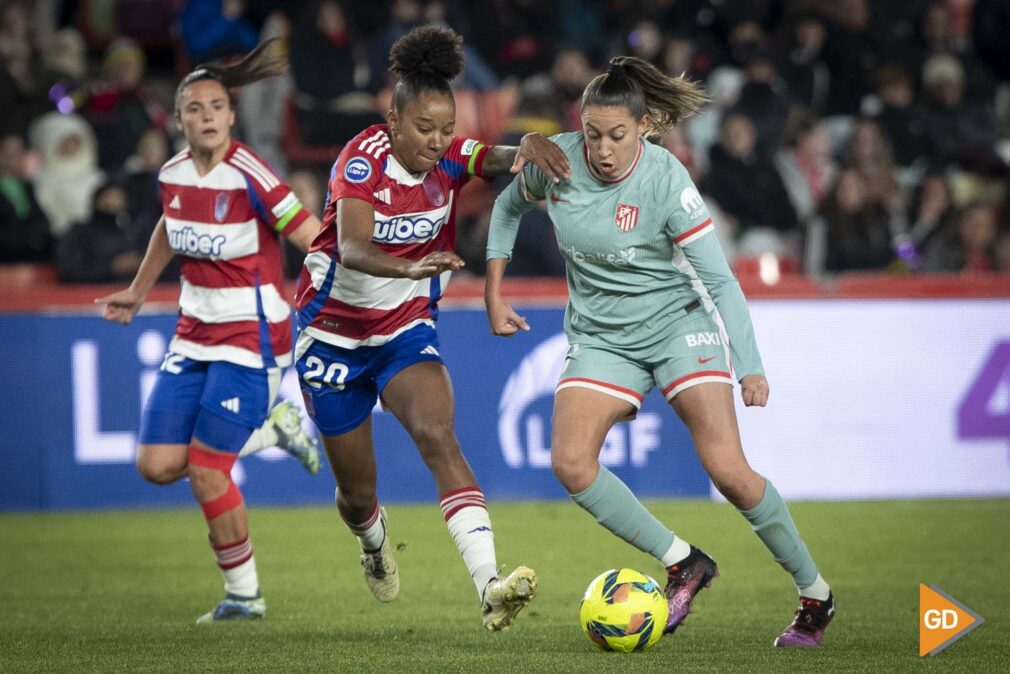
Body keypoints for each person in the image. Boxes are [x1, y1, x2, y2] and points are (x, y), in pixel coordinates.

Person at [484, 55, 835, 648]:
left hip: (677, 326)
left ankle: (815, 594)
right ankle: (684, 562)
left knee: (729, 472)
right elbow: (505, 208)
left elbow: (720, 280)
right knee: (571, 465)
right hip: (601, 337)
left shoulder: (668, 179)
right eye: (592, 133)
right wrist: (494, 294)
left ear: (643, 127)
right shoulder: (558, 160)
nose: (602, 150)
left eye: (617, 136)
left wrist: (749, 363)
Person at [293, 25, 570, 631]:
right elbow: (355, 246)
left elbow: (490, 158)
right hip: (331, 335)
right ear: (393, 121)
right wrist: (413, 265)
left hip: (402, 327)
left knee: (437, 435)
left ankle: (490, 586)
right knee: (358, 495)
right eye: (424, 128)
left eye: (445, 128)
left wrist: (525, 144)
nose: (437, 140)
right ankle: (373, 544)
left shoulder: (448, 155)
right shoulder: (358, 163)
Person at [95, 40, 324, 624]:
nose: (207, 116)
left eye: (217, 106)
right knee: (156, 465)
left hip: (251, 338)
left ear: (231, 114)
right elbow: (170, 232)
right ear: (180, 120)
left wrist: (341, 286)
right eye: (195, 108)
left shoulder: (251, 172)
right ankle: (277, 428)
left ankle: (244, 598)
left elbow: (310, 236)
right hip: (192, 335)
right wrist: (140, 290)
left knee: (205, 468)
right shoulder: (171, 174)